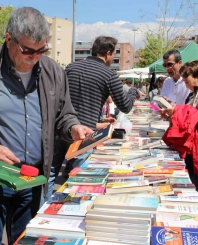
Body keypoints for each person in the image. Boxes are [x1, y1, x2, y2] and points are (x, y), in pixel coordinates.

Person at [0, 7, 92, 245]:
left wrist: (73, 127)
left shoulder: (52, 70)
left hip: (33, 178)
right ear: (9, 38)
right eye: (27, 50)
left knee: (27, 240)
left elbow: (64, 114)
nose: (34, 57)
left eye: (41, 50)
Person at [57, 36, 141, 183]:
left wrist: (100, 120)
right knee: (78, 179)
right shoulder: (108, 75)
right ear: (108, 53)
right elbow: (126, 106)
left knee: (53, 175)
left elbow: (73, 100)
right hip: (85, 135)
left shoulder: (71, 67)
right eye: (114, 54)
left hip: (63, 128)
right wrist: (134, 93)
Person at [162, 60, 198, 217]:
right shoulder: (194, 93)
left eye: (186, 75)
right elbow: (188, 114)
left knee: (197, 182)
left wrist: (181, 113)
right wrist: (174, 112)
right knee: (193, 181)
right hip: (192, 142)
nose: (184, 79)